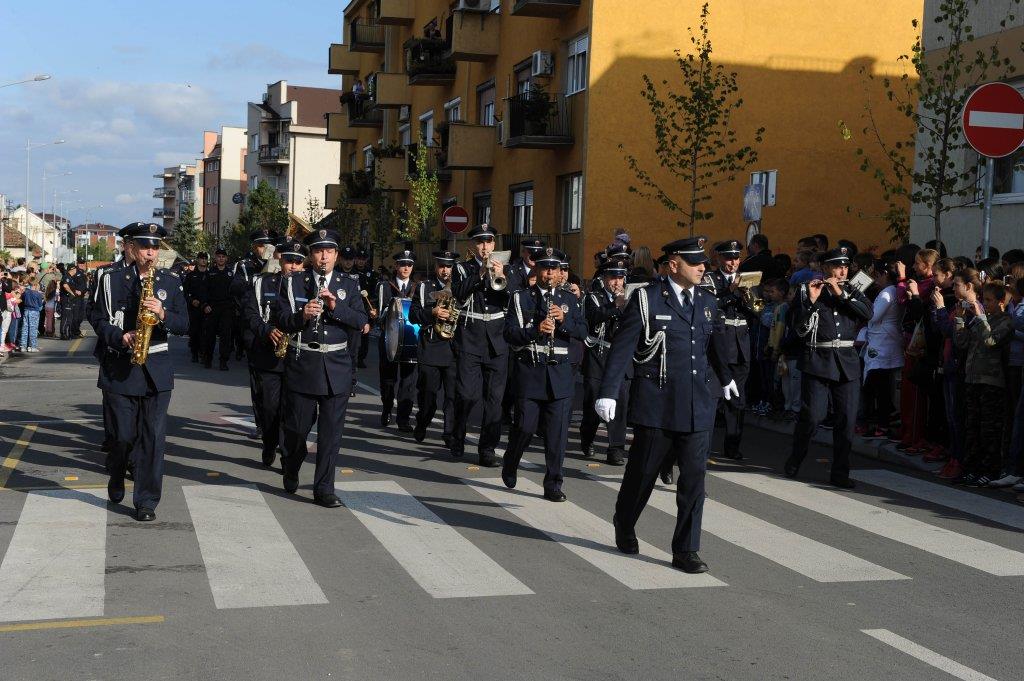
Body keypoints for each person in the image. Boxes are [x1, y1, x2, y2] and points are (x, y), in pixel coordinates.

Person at [597, 236, 736, 574]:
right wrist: (609, 391)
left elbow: (713, 344)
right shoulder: (646, 300)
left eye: (703, 261)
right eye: (694, 261)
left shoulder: (706, 300)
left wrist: (727, 377)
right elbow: (622, 348)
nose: (703, 267)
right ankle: (625, 520)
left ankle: (686, 550)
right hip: (657, 404)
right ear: (674, 265)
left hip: (697, 404)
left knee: (694, 481)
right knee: (642, 474)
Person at [91, 223, 188, 522]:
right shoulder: (110, 278)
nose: (151, 252)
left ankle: (146, 501)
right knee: (122, 438)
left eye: (155, 247)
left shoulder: (170, 281)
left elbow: (184, 324)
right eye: (145, 247)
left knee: (153, 438)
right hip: (121, 369)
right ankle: (118, 470)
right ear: (131, 248)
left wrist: (162, 313)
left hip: (157, 370)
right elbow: (94, 315)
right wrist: (119, 336)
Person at [274, 228, 367, 507]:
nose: (323, 256)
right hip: (303, 366)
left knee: (330, 436)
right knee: (296, 431)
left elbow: (360, 320)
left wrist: (335, 306)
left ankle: (324, 488)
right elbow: (280, 318)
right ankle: (291, 464)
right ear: (311, 255)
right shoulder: (293, 283)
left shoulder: (348, 285)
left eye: (329, 251)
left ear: (336, 255)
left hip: (336, 367)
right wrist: (301, 316)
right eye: (318, 250)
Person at [500, 248, 588, 501]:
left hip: (560, 374)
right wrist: (534, 330)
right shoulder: (521, 298)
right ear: (536, 270)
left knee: (557, 435)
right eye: (545, 268)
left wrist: (564, 321)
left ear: (560, 272)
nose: (550, 273)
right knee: (525, 427)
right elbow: (509, 334)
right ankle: (511, 458)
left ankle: (553, 484)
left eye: (554, 268)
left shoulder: (569, 300)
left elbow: (583, 331)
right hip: (530, 371)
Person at [784, 246, 872, 488]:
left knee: (846, 420)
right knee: (812, 417)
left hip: (847, 362)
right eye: (836, 266)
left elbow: (868, 312)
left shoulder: (855, 290)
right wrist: (810, 302)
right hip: (818, 360)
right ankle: (797, 456)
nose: (842, 271)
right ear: (825, 269)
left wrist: (842, 294)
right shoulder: (809, 290)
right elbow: (795, 325)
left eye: (845, 266)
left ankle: (840, 472)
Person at [450, 223, 510, 466]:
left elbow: (514, 297)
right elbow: (458, 294)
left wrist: (503, 275)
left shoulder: (507, 268)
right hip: (470, 338)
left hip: (497, 340)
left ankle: (487, 449)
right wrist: (481, 275)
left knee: (494, 400)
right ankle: (457, 433)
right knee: (466, 394)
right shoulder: (462, 269)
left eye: (488, 242)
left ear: (494, 244)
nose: (485, 247)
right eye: (480, 242)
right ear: (472, 246)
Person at [243, 238, 306, 467]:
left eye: (298, 262)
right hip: (269, 357)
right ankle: (269, 443)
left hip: (299, 358)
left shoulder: (309, 287)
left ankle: (288, 458)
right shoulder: (262, 283)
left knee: (294, 413)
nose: (293, 266)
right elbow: (250, 314)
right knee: (270, 409)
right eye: (289, 261)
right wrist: (266, 330)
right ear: (280, 260)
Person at [953, 280, 1013, 486]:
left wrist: (979, 317)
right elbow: (962, 343)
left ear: (1001, 302)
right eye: (983, 300)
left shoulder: (1006, 321)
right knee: (972, 427)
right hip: (972, 379)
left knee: (990, 429)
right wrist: (960, 320)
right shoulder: (980, 320)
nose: (984, 304)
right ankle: (971, 468)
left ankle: (991, 469)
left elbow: (991, 341)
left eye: (988, 300)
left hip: (992, 382)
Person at [706, 240, 755, 459]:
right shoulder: (710, 280)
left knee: (738, 400)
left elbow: (756, 311)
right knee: (713, 397)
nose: (733, 262)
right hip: (720, 345)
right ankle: (702, 446)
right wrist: (732, 292)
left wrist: (748, 298)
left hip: (741, 345)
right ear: (718, 259)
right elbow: (710, 306)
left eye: (736, 258)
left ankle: (733, 446)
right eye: (728, 258)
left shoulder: (748, 280)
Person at [579, 259, 631, 465]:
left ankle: (616, 448)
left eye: (620, 278)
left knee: (621, 403)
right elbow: (592, 317)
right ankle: (587, 436)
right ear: (604, 278)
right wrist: (615, 306)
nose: (617, 282)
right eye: (613, 277)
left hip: (622, 357)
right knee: (593, 402)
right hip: (598, 355)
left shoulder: (631, 298)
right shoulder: (594, 298)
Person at [409, 248, 459, 446]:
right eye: (441, 266)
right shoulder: (423, 287)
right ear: (435, 267)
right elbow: (413, 315)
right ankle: (423, 421)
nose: (445, 270)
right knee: (428, 395)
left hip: (454, 347)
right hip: (430, 346)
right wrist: (433, 312)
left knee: (453, 395)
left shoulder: (460, 288)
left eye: (448, 267)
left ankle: (449, 434)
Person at [233, 230, 277, 434]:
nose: (265, 249)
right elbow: (235, 289)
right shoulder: (244, 266)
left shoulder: (281, 263)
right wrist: (260, 278)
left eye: (269, 245)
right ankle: (261, 422)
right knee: (258, 378)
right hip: (253, 326)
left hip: (278, 325)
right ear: (254, 247)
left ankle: (279, 423)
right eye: (261, 245)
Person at [860, 261, 905, 438]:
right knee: (880, 384)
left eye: (877, 275)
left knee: (879, 384)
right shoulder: (892, 291)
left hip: (883, 342)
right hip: (884, 340)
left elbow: (873, 315)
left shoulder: (888, 292)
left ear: (885, 274)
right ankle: (885, 418)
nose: (874, 280)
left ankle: (883, 422)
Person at [376, 248, 419, 430]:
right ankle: (387, 408)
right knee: (388, 379)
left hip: (411, 339)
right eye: (402, 264)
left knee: (408, 381)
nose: (406, 267)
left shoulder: (418, 288)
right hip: (389, 338)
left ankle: (403, 418)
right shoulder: (384, 286)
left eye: (409, 264)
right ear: (396, 266)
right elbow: (379, 313)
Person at [203, 248, 234, 370]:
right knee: (209, 335)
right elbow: (204, 291)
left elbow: (234, 292)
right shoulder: (210, 273)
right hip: (212, 308)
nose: (221, 258)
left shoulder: (231, 273)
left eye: (223, 256)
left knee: (225, 336)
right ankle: (208, 359)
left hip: (226, 308)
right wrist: (205, 305)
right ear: (215, 258)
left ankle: (223, 361)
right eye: (219, 256)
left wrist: (234, 307)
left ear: (226, 258)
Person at [183, 252, 210, 362]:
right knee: (194, 331)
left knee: (206, 331)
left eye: (205, 259)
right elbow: (185, 293)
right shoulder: (190, 276)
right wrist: (191, 300)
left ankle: (203, 353)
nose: (203, 260)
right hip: (194, 308)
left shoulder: (211, 275)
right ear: (197, 260)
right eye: (201, 258)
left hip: (208, 308)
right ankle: (194, 353)